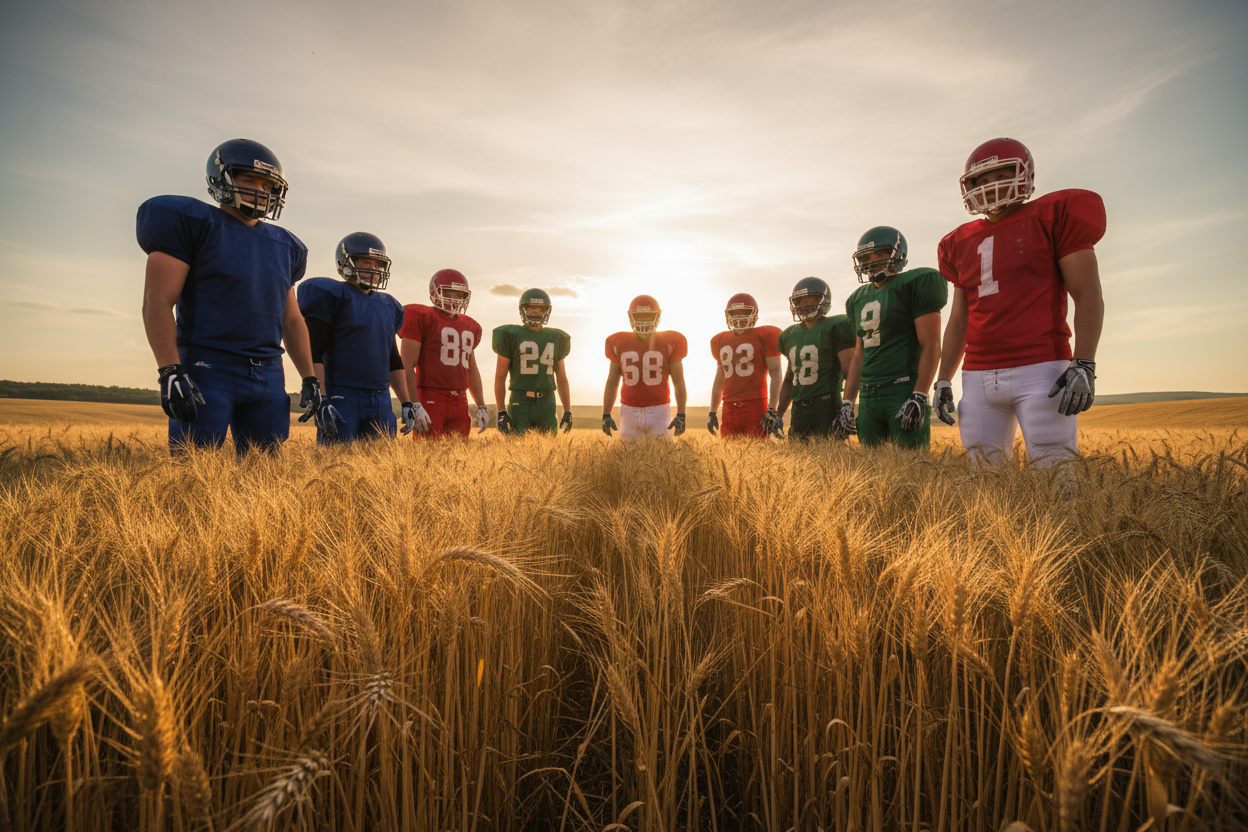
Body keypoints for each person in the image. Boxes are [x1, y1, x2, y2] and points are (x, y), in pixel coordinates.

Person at [138, 138, 319, 455]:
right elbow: (158, 302)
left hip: (268, 371)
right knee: (193, 471)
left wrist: (310, 378)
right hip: (208, 367)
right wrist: (169, 369)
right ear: (221, 178)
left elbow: (291, 321)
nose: (260, 190)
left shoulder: (286, 245)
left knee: (263, 477)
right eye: (249, 179)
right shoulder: (194, 222)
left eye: (267, 184)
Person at [935, 138, 1106, 465]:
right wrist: (943, 378)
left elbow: (1087, 293)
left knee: (1055, 472)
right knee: (983, 478)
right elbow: (959, 320)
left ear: (1023, 173)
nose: (989, 187)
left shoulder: (1051, 215)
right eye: (981, 181)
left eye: (1000, 176)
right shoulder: (958, 242)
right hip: (977, 373)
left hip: (1040, 367)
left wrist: (1084, 361)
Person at [296, 232, 416, 443]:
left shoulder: (389, 305)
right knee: (336, 465)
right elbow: (315, 350)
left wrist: (406, 402)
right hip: (342, 394)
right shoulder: (332, 294)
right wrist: (322, 397)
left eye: (378, 264)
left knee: (380, 468)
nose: (373, 269)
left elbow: (393, 359)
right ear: (345, 263)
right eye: (366, 262)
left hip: (381, 397)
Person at [841, 227, 948, 448]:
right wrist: (848, 402)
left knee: (912, 469)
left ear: (897, 255)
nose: (871, 262)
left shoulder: (914, 283)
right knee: (871, 470)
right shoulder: (857, 299)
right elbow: (859, 355)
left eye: (879, 255)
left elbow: (931, 344)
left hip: (902, 389)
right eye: (866, 258)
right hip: (869, 394)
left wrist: (920, 393)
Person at [399, 269, 488, 438]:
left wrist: (481, 405)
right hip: (430, 397)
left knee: (460, 458)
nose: (454, 299)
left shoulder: (470, 325)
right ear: (435, 292)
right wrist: (414, 403)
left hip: (461, 400)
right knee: (429, 456)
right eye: (449, 293)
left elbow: (472, 370)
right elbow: (407, 366)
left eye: (459, 294)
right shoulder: (422, 317)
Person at [776, 277, 856, 440]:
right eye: (800, 302)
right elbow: (789, 379)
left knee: (831, 459)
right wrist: (778, 413)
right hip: (798, 409)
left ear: (824, 302)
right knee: (797, 461)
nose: (804, 306)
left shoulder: (837, 326)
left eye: (810, 301)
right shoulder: (790, 335)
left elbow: (851, 372)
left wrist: (848, 405)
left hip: (826, 406)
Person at [602, 295, 688, 441]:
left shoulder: (619, 342)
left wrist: (681, 413)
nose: (643, 320)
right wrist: (606, 413)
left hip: (657, 408)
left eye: (648, 316)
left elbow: (678, 381)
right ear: (631, 318)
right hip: (632, 408)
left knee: (661, 456)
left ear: (657, 317)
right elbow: (612, 381)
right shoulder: (618, 342)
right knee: (630, 457)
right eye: (639, 316)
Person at [491, 288, 573, 435]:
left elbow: (561, 378)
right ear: (523, 310)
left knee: (549, 449)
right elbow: (500, 376)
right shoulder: (511, 335)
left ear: (547, 311)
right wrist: (501, 411)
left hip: (547, 400)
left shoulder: (556, 337)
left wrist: (568, 410)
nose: (536, 311)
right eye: (531, 308)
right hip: (520, 400)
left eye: (540, 308)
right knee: (517, 449)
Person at [707, 293, 783, 439]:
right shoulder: (720, 340)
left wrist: (772, 408)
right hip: (728, 406)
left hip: (755, 405)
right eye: (734, 314)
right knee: (729, 456)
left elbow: (775, 371)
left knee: (757, 454)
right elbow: (719, 378)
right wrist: (712, 411)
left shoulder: (764, 335)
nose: (739, 317)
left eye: (744, 313)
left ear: (754, 314)